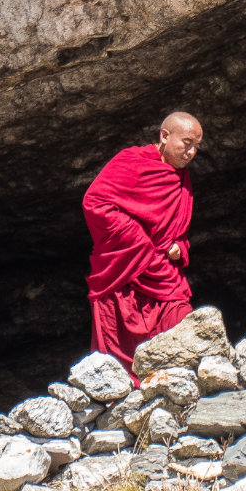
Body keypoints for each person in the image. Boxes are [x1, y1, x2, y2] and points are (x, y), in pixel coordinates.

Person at [82, 112, 203, 380]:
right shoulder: (132, 162)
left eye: (196, 146)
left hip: (164, 279)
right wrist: (138, 242)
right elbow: (94, 202)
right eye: (186, 143)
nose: (191, 152)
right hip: (124, 275)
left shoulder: (181, 179)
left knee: (185, 328)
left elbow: (175, 230)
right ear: (164, 136)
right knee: (118, 370)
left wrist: (180, 247)